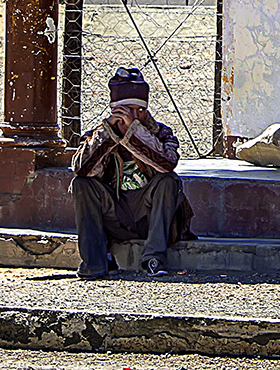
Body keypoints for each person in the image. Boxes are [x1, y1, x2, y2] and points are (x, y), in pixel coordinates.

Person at [72, 66, 191, 279]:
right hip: (115, 214)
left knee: (168, 180)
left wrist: (135, 133)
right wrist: (109, 133)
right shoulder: (99, 135)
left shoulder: (161, 133)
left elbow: (167, 163)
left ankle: (154, 259)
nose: (135, 116)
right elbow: (81, 168)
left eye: (141, 110)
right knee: (82, 183)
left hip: (149, 216)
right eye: (127, 110)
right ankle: (95, 263)